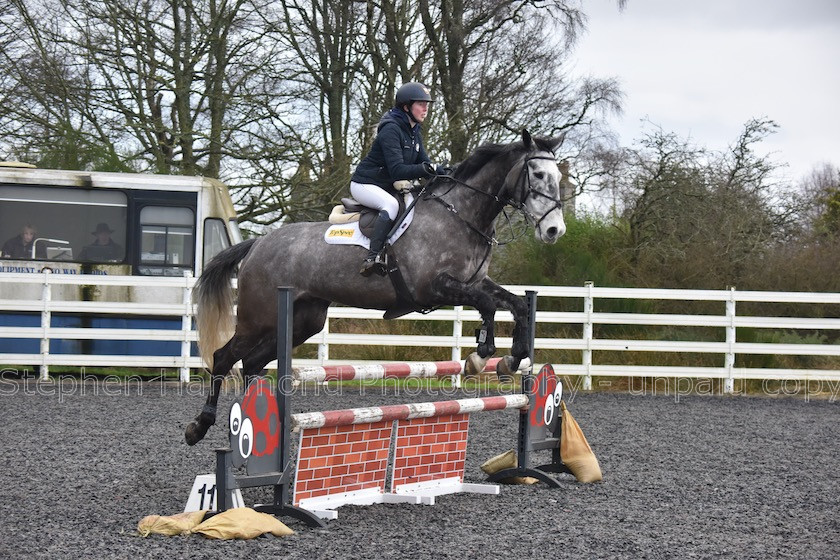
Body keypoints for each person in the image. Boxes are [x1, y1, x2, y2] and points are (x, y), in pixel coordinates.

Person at [350, 82, 448, 276]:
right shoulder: (391, 129)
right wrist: (426, 168)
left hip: (385, 186)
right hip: (364, 184)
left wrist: (443, 172)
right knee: (391, 206)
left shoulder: (414, 132)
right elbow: (397, 170)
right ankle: (372, 257)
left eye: (427, 104)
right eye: (421, 104)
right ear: (406, 107)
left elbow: (424, 163)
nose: (426, 108)